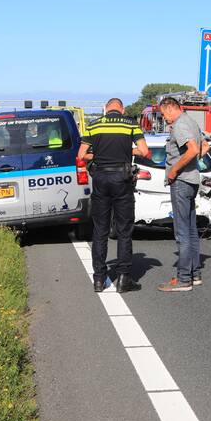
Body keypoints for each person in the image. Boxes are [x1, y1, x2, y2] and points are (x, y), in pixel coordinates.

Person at [77, 98, 150, 293]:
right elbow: (144, 151)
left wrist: (98, 154)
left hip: (101, 178)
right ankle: (124, 279)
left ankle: (99, 279)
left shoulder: (94, 125)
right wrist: (127, 150)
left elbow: (82, 154)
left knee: (100, 229)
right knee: (124, 229)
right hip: (122, 179)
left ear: (105, 109)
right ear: (122, 109)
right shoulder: (130, 124)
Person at [157, 97, 204, 292]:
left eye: (163, 114)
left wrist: (174, 170)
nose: (163, 118)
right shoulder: (192, 122)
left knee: (182, 232)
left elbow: (193, 150)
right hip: (192, 181)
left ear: (170, 109)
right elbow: (204, 147)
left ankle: (183, 278)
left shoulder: (180, 125)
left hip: (182, 182)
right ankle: (194, 273)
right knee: (191, 230)